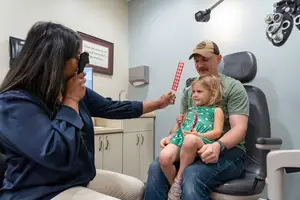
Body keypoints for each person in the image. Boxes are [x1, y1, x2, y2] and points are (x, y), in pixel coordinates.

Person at [0, 21, 176, 200]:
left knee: (137, 188)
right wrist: (71, 100)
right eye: (77, 57)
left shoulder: (67, 89)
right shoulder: (14, 102)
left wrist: (158, 103)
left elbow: (111, 107)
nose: (82, 64)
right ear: (56, 60)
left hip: (74, 178)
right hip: (38, 190)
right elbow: (55, 154)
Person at [144, 40, 249, 200]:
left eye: (205, 59)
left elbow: (239, 129)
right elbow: (182, 123)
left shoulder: (233, 87)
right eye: (196, 60)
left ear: (219, 59)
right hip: (191, 147)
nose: (200, 65)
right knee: (156, 166)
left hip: (228, 151)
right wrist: (172, 137)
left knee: (192, 175)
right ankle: (175, 190)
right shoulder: (190, 91)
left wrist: (218, 146)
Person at [159, 75, 224, 200]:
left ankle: (178, 179)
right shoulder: (190, 110)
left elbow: (217, 132)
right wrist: (178, 125)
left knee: (190, 139)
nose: (194, 95)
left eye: (199, 91)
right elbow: (182, 129)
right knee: (164, 157)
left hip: (201, 141)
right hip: (182, 139)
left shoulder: (217, 110)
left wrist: (198, 135)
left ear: (212, 93)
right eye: (193, 91)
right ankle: (176, 188)